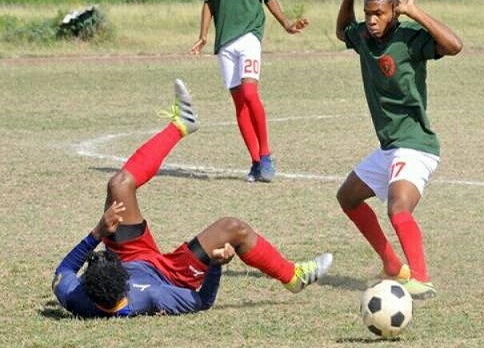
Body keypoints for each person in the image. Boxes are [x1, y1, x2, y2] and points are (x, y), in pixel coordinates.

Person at [52, 79, 333, 318]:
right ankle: (293, 276)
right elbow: (203, 302)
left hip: (132, 256)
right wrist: (214, 265)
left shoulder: (75, 296)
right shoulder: (152, 296)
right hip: (169, 273)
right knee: (233, 228)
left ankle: (181, 124)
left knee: (119, 185)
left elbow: (64, 270)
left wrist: (98, 233)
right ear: (124, 286)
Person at [335, 0, 463, 299]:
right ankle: (392, 265)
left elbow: (454, 45)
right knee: (347, 197)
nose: (372, 20)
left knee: (397, 208)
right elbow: (341, 32)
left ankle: (420, 278)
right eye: (368, 13)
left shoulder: (410, 38)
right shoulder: (364, 36)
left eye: (379, 13)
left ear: (394, 9)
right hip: (390, 148)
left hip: (416, 145)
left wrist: (414, 12)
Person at [190, 0, 309, 183]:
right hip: (224, 42)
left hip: (250, 36)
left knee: (250, 91)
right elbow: (207, 2)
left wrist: (287, 24)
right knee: (239, 102)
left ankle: (266, 154)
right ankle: (255, 161)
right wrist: (203, 36)